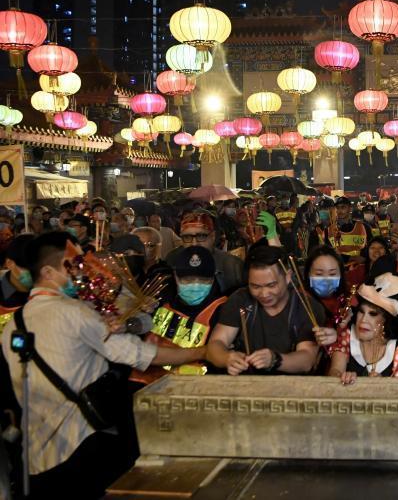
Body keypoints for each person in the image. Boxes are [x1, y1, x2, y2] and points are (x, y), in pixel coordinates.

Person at [0, 232, 206, 498]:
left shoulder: (13, 325)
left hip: (37, 456)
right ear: (49, 271)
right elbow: (140, 355)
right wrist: (201, 352)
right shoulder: (75, 313)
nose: (80, 270)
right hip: (82, 446)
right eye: (71, 265)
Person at [207, 245, 320, 375]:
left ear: (288, 277)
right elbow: (216, 343)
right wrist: (227, 358)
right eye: (255, 286)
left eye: (271, 285)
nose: (264, 294)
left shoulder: (306, 305)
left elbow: (307, 359)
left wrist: (275, 360)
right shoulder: (240, 300)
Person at [131, 246, 229, 384]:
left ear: (213, 278)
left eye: (203, 280)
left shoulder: (224, 311)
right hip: (145, 390)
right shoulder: (158, 303)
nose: (195, 285)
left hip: (193, 393)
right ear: (175, 277)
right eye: (188, 280)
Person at [327, 259, 398, 383]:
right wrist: (341, 378)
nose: (363, 320)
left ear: (387, 320)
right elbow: (334, 371)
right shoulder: (347, 336)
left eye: (373, 314)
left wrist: (385, 388)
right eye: (361, 312)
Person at [168, 212, 244, 294]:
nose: (194, 243)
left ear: (213, 236)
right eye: (187, 237)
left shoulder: (233, 266)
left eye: (201, 236)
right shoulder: (172, 260)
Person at [331, 197, 372, 265]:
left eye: (343, 207)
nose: (339, 211)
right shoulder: (330, 230)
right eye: (337, 208)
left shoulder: (364, 227)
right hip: (339, 269)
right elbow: (329, 253)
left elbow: (371, 247)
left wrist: (364, 257)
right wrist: (351, 258)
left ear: (350, 208)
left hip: (359, 269)